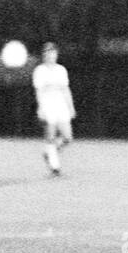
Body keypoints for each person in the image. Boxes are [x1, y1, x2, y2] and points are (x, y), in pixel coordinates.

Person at [32, 43, 75, 176]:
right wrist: (40, 108)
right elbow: (39, 91)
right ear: (44, 55)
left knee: (67, 137)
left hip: (61, 105)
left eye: (53, 52)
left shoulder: (61, 70)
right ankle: (54, 167)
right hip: (48, 105)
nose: (50, 55)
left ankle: (50, 153)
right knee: (50, 135)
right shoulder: (39, 70)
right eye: (47, 53)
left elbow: (65, 89)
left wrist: (71, 106)